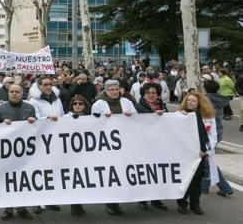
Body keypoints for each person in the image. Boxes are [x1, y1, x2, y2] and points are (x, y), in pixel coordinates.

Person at [91, 79, 136, 216]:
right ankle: (111, 204)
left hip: (125, 143)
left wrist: (131, 115)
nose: (115, 92)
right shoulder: (99, 104)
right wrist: (102, 118)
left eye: (117, 89)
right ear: (105, 90)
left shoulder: (126, 102)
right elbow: (91, 122)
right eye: (111, 89)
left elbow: (139, 119)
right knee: (111, 173)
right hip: (107, 145)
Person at [0, 84, 37, 221]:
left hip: (25, 152)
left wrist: (33, 121)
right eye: (11, 92)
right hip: (7, 153)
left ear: (22, 93)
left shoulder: (30, 108)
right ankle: (8, 209)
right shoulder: (0, 109)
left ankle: (22, 208)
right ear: (8, 94)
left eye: (17, 92)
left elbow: (36, 129)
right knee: (8, 181)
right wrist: (1, 124)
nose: (14, 94)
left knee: (22, 181)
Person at [28, 76, 64, 213]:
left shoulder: (57, 99)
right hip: (41, 140)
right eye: (45, 85)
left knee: (53, 171)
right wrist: (47, 119)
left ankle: (50, 200)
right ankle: (37, 202)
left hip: (55, 139)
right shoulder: (33, 101)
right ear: (39, 86)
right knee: (39, 171)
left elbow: (62, 115)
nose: (49, 87)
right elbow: (34, 119)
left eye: (50, 84)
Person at [134, 83, 169, 211]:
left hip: (159, 146)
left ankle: (156, 199)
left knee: (157, 173)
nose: (151, 95)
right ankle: (142, 199)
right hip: (143, 146)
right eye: (148, 93)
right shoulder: (138, 107)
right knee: (144, 173)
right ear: (144, 94)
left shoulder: (163, 107)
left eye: (154, 93)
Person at [177, 91, 212, 215]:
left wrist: (204, 150)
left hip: (199, 154)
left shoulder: (205, 117)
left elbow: (209, 136)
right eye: (188, 100)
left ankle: (195, 204)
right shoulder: (181, 115)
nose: (190, 102)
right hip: (185, 154)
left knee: (197, 180)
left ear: (199, 103)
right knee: (185, 179)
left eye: (193, 100)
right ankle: (182, 203)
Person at [202, 80, 234, 196]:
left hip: (209, 133)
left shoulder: (206, 101)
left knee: (206, 160)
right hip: (217, 131)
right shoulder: (219, 99)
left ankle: (204, 188)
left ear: (205, 89)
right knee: (208, 159)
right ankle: (225, 188)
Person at [62, 94, 91, 216]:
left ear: (85, 105)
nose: (78, 105)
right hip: (72, 155)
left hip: (87, 154)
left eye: (80, 103)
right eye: (75, 103)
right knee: (75, 181)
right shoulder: (65, 118)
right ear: (71, 105)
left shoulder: (91, 117)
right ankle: (76, 206)